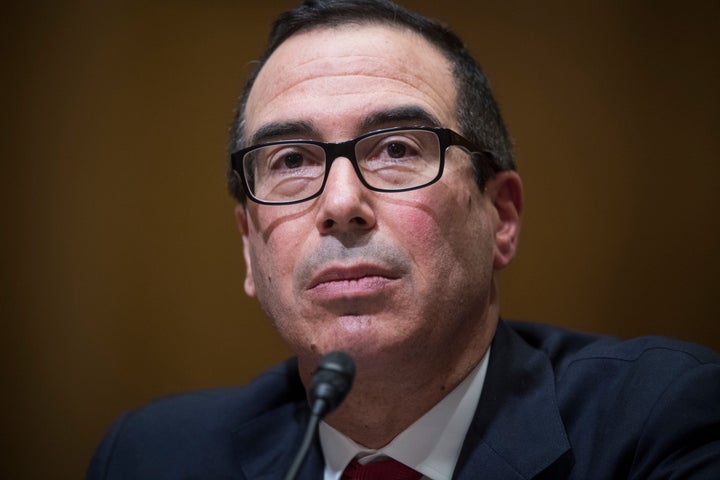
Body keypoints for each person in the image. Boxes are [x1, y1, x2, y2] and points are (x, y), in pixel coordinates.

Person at [87, 1, 720, 478]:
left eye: (396, 149)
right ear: (249, 247)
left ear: (500, 216)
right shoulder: (151, 456)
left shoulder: (659, 421)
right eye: (290, 161)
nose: (340, 205)